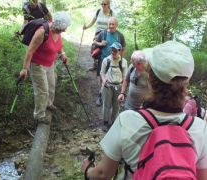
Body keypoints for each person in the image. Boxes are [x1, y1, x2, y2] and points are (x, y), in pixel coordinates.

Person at [81, 41, 207, 179]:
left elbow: (102, 173)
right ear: (186, 82)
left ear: (150, 79)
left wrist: (87, 169)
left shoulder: (127, 120)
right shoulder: (200, 128)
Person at [19, 12, 70, 123]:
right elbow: (30, 51)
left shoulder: (58, 31)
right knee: (42, 90)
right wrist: (24, 69)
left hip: (50, 64)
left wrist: (62, 54)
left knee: (51, 85)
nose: (64, 31)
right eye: (63, 29)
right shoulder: (42, 32)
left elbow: (59, 45)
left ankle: (48, 104)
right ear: (58, 25)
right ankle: (39, 115)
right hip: (38, 65)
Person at [94, 16, 126, 106]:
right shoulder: (103, 33)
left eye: (113, 24)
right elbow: (94, 41)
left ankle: (117, 97)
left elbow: (123, 48)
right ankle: (100, 96)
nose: (111, 26)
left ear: (116, 25)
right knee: (101, 79)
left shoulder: (120, 35)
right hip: (103, 60)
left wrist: (122, 60)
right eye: (109, 24)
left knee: (117, 80)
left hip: (116, 62)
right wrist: (100, 43)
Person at [100, 42, 127, 130]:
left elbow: (125, 77)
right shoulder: (106, 60)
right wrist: (104, 81)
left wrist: (123, 91)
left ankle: (113, 123)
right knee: (106, 105)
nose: (113, 52)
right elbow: (102, 73)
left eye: (115, 50)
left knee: (116, 106)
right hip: (107, 86)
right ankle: (105, 122)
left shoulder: (123, 62)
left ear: (119, 51)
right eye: (112, 50)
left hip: (118, 86)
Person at [83, 0, 114, 71]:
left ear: (108, 4)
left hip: (107, 33)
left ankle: (105, 66)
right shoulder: (98, 11)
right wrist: (86, 27)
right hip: (97, 33)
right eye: (102, 4)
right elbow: (93, 21)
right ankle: (95, 65)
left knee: (105, 50)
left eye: (105, 4)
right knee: (94, 48)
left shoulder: (111, 13)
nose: (103, 5)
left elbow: (113, 25)